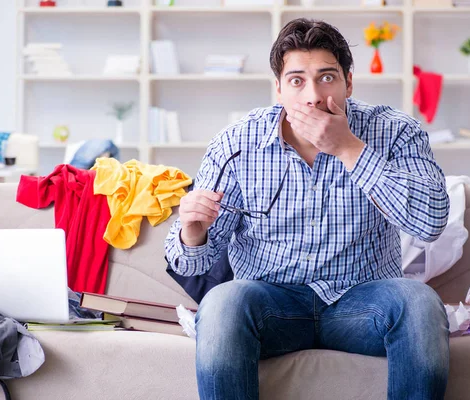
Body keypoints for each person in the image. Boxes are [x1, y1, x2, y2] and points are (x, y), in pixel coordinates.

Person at [164, 18, 450, 400]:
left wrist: (350, 148)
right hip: (271, 306)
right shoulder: (236, 144)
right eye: (297, 80)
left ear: (349, 82)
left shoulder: (396, 132)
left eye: (327, 77)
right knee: (222, 303)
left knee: (419, 303)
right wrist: (193, 232)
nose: (313, 96)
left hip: (363, 305)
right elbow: (192, 265)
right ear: (279, 89)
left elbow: (431, 222)